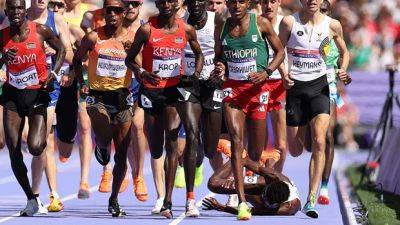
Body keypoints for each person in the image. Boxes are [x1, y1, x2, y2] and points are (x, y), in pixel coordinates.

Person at [125, 0, 204, 218]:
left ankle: (169, 202)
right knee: (157, 147)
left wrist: (195, 75)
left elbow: (199, 54)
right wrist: (141, 72)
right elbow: (129, 59)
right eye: (162, 0)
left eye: (171, 0)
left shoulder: (186, 29)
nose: (166, 4)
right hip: (150, 92)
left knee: (172, 143)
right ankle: (163, 197)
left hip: (172, 93)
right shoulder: (147, 29)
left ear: (177, 3)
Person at [279, 0, 350, 218]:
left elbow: (344, 52)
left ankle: (312, 199)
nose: (311, 1)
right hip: (296, 88)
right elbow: (278, 50)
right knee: (296, 150)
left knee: (320, 140)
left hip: (320, 86)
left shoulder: (333, 24)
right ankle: (303, 131)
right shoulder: (289, 22)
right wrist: (283, 73)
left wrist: (343, 70)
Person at [214, 0, 284, 219]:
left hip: (257, 92)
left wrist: (267, 72)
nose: (236, 5)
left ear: (248, 3)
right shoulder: (222, 27)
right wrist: (220, 66)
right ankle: (242, 201)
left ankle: (259, 180)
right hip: (233, 91)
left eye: (241, 1)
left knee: (255, 151)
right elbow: (219, 57)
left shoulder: (261, 23)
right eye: (232, 1)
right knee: (236, 142)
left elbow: (280, 52)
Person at [0, 0, 66, 216]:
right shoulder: (2, 35)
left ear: (24, 10)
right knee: (13, 149)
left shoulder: (41, 31)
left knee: (37, 147)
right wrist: (2, 58)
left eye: (20, 8)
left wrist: (54, 73)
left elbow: (62, 49)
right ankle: (31, 198)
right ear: (7, 11)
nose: (16, 12)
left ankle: (37, 146)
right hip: (12, 97)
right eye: (12, 9)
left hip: (37, 95)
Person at [73, 0, 135, 217]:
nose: (113, 14)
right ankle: (102, 144)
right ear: (104, 12)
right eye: (109, 10)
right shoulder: (93, 37)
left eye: (117, 10)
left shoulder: (132, 38)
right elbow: (76, 59)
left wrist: (133, 55)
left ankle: (114, 199)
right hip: (97, 96)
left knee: (122, 155)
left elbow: (142, 64)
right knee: (102, 125)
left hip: (122, 96)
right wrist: (83, 84)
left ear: (123, 13)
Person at [174, 0, 225, 211]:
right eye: (191, 0)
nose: (195, 4)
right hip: (188, 86)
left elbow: (224, 55)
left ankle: (203, 150)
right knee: (192, 136)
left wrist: (221, 70)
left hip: (212, 86)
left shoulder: (218, 21)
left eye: (200, 1)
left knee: (211, 149)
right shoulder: (179, 22)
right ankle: (190, 199)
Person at [24, 0, 74, 213]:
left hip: (48, 88)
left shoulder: (58, 21)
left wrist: (53, 50)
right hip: (21, 85)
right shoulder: (18, 15)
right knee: (30, 139)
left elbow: (70, 56)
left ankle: (37, 196)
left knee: (43, 142)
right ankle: (41, 195)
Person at [203, 156, 301, 216]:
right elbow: (242, 160)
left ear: (277, 204)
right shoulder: (273, 177)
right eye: (263, 195)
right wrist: (237, 179)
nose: (262, 197)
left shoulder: (287, 208)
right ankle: (267, 163)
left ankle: (241, 194)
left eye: (265, 200)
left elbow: (250, 211)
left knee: (252, 199)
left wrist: (221, 207)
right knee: (213, 184)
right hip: (263, 183)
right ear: (270, 184)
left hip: (266, 201)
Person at [261, 0, 287, 172]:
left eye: (272, 1)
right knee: (258, 141)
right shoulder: (254, 23)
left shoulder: (287, 24)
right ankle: (257, 176)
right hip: (259, 84)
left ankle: (277, 178)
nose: (269, 6)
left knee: (281, 143)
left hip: (280, 85)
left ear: (278, 2)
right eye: (264, 2)